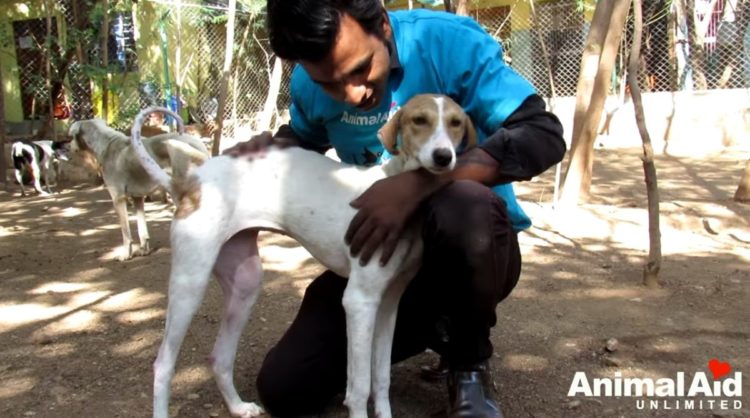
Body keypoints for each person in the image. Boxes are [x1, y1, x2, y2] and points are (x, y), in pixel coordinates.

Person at [226, 1, 566, 416]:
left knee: (464, 207)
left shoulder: (448, 42)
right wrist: (270, 149)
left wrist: (419, 183)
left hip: (469, 254)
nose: (352, 93)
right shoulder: (308, 78)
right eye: (329, 84)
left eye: (360, 69)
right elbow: (304, 140)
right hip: (379, 255)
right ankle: (428, 328)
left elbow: (542, 133)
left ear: (383, 26)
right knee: (286, 387)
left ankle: (467, 360)